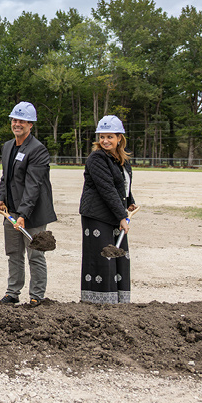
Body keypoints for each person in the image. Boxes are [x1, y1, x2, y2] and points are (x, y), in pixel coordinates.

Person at [0, 101, 56, 307]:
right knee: (13, 253)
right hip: (11, 212)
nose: (17, 124)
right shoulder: (8, 146)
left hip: (32, 213)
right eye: (14, 120)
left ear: (31, 124)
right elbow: (6, 177)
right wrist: (2, 198)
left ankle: (37, 295)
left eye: (22, 121)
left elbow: (33, 186)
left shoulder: (38, 150)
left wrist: (23, 214)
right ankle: (12, 292)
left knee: (35, 254)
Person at [79, 115, 137, 304]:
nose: (105, 141)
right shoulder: (97, 158)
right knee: (103, 258)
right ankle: (98, 301)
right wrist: (122, 216)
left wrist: (129, 201)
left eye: (110, 137)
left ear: (119, 137)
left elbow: (122, 184)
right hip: (97, 215)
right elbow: (106, 188)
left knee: (118, 256)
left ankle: (118, 300)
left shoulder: (121, 158)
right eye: (102, 136)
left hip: (115, 213)